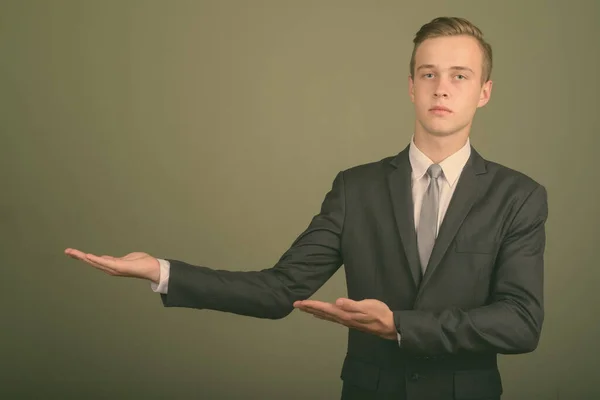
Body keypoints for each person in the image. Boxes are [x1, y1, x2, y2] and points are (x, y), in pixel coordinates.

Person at [65, 16, 548, 400]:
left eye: (459, 76)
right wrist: (162, 271)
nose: (442, 88)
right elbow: (279, 290)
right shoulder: (356, 189)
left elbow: (520, 322)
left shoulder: (518, 196)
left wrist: (401, 326)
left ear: (483, 92)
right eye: (429, 74)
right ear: (411, 86)